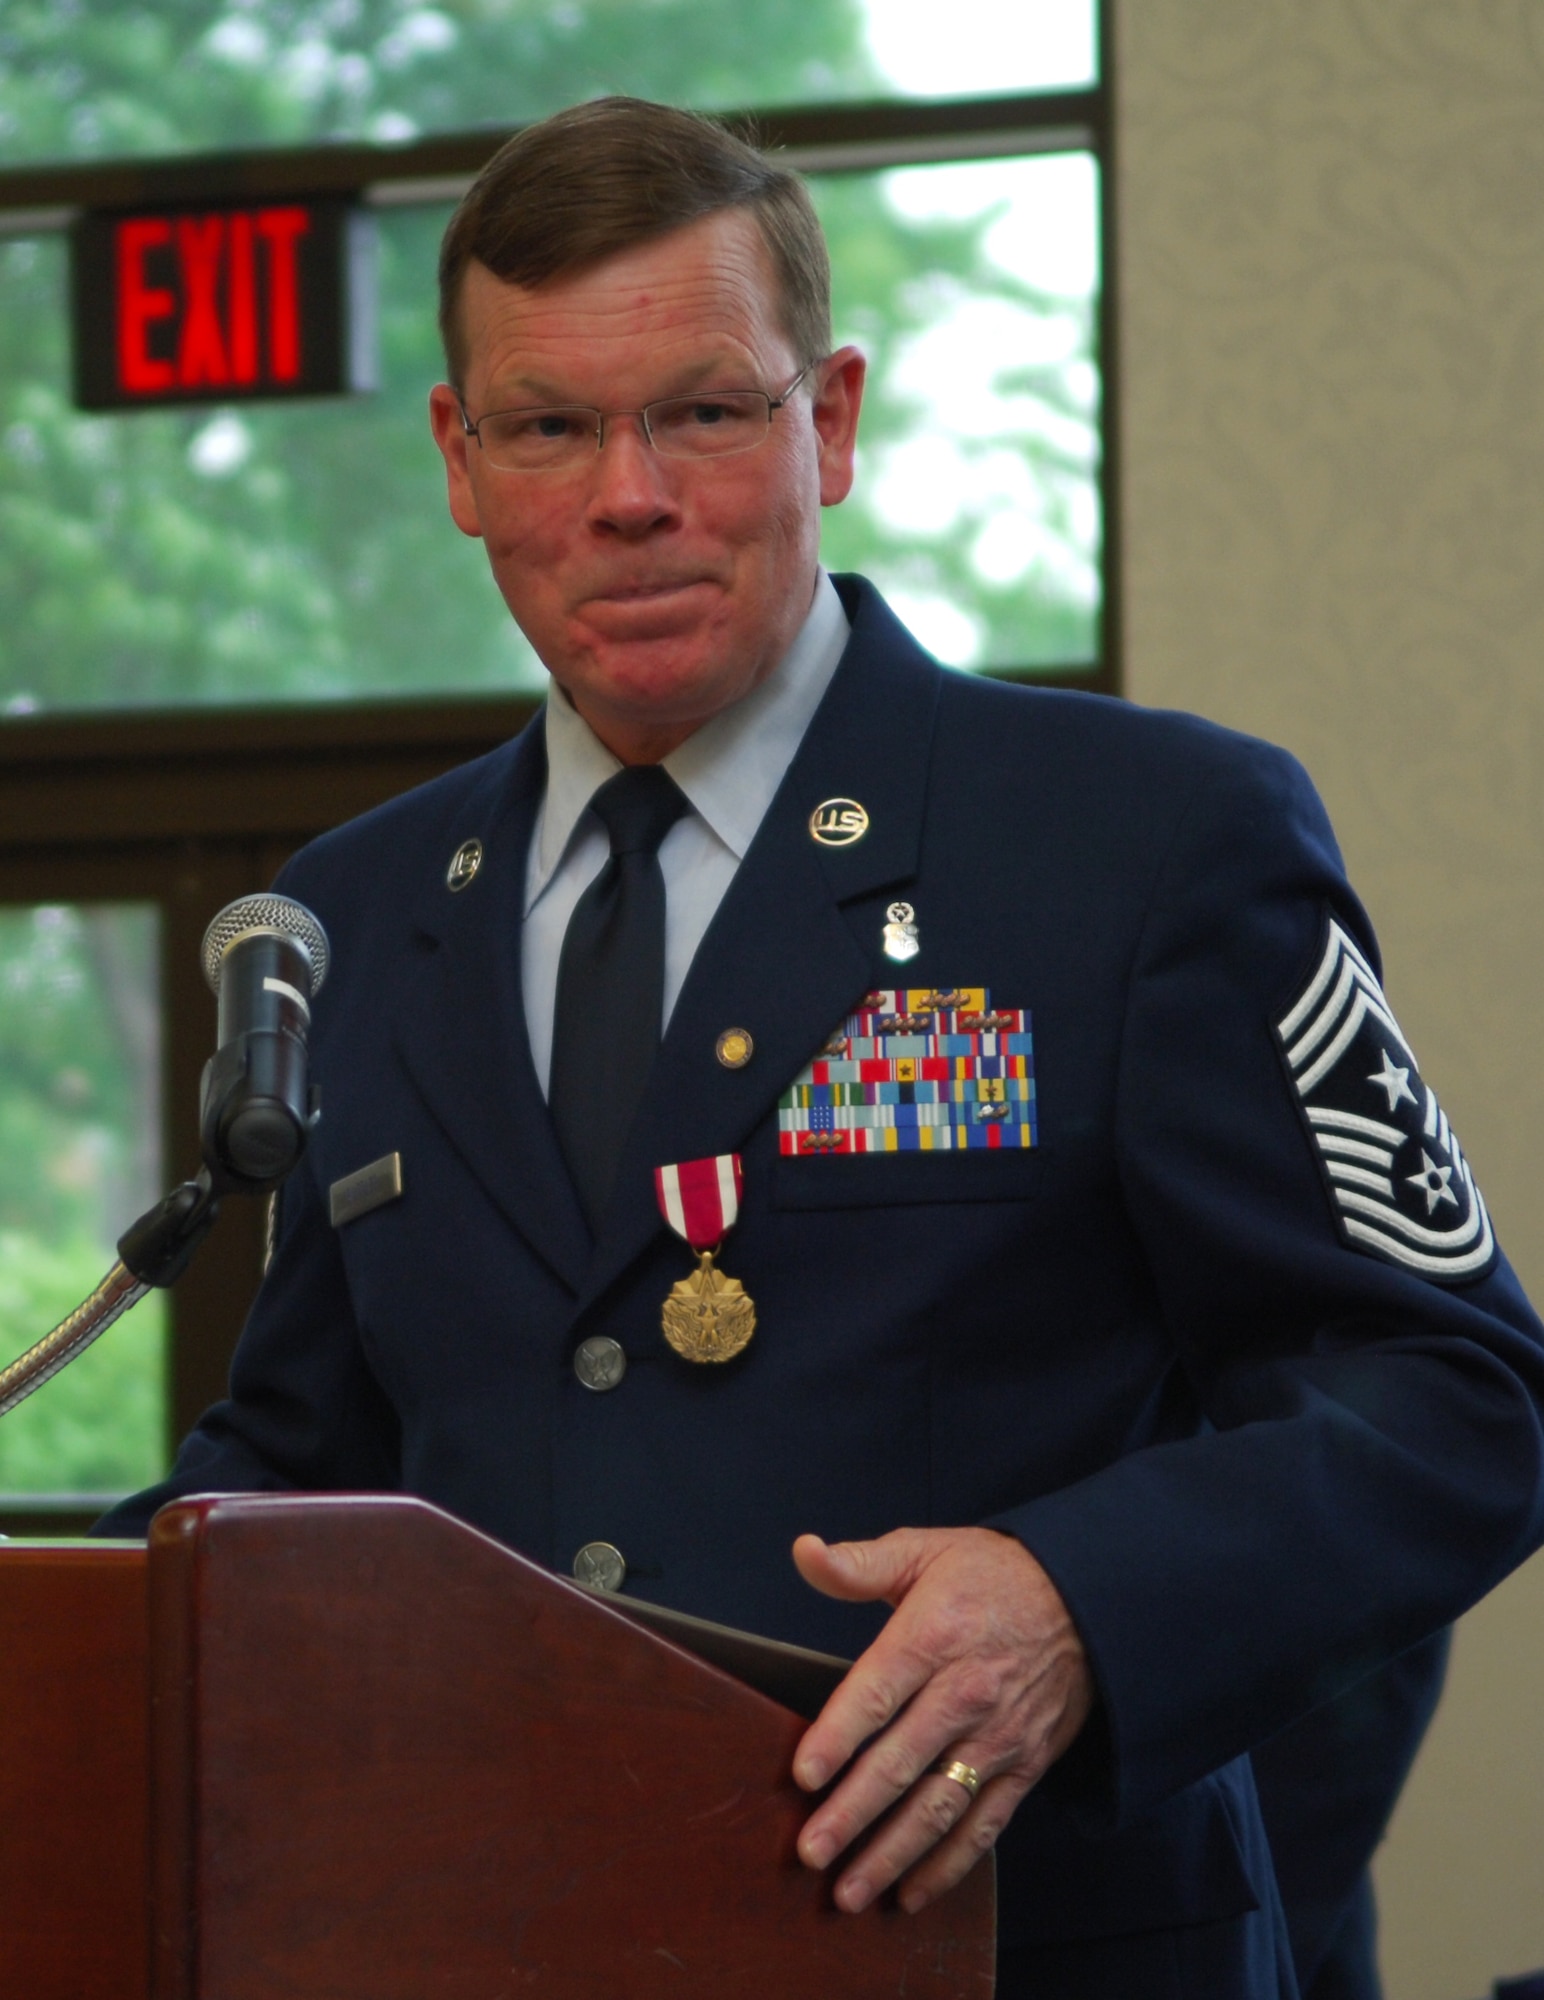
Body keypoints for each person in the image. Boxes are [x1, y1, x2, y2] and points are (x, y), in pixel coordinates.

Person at [100, 97, 1544, 2000]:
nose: (629, 494)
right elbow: (301, 1474)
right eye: (548, 424)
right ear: (462, 459)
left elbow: (1454, 1397)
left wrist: (1078, 1605)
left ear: (829, 420)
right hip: (490, 1940)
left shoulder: (1141, 841)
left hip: (1022, 1949)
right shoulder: (365, 913)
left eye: (703, 409)